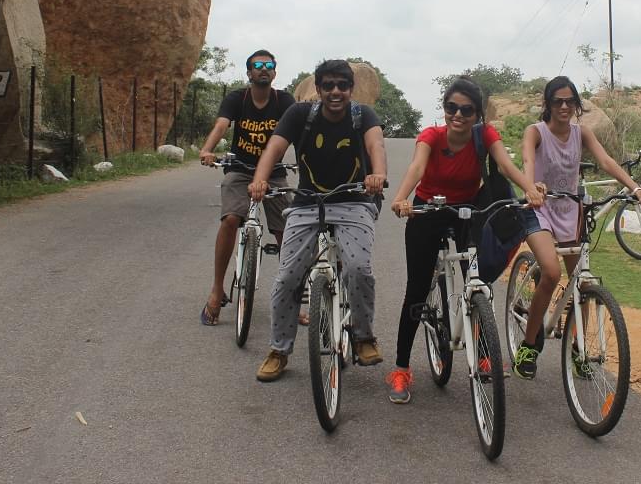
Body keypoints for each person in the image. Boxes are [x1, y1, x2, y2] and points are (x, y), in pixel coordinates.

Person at [385, 78, 545, 404]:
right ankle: (401, 368)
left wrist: (528, 187)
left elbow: (504, 163)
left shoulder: (483, 135)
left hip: (468, 211)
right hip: (427, 209)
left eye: (466, 110)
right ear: (444, 109)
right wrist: (402, 198)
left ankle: (484, 354)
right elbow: (417, 166)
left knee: (477, 282)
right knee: (416, 291)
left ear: (477, 114)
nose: (458, 115)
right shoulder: (431, 136)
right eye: (451, 108)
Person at [248, 59, 388, 382]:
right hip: (308, 204)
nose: (335, 91)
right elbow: (273, 148)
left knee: (358, 268)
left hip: (354, 202)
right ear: (319, 89)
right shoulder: (300, 114)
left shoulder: (362, 115)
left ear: (351, 89)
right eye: (328, 85)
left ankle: (364, 337)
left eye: (342, 85)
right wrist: (260, 180)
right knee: (287, 277)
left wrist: (378, 174)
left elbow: (376, 144)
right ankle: (279, 350)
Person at [515, 75, 641, 379]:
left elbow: (606, 161)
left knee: (583, 282)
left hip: (571, 210)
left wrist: (634, 187)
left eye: (570, 101)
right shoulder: (535, 132)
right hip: (539, 209)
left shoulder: (582, 133)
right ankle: (528, 345)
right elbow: (527, 160)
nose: (564, 106)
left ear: (577, 104)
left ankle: (579, 350)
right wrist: (531, 186)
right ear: (547, 104)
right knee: (551, 272)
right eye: (557, 101)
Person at [197, 49, 296, 326]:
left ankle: (295, 295)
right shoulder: (237, 98)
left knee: (285, 230)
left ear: (274, 72)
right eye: (257, 65)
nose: (263, 69)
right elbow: (221, 125)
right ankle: (217, 289)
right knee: (230, 219)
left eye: (268, 65)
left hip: (274, 174)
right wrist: (207, 149)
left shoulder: (284, 100)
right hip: (240, 170)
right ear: (249, 73)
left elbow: (300, 132)